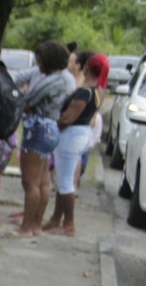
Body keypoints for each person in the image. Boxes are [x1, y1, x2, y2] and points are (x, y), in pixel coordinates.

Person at [7, 40, 72, 240]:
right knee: (44, 181)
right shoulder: (62, 79)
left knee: (30, 183)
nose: (38, 63)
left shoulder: (49, 81)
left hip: (37, 129)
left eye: (39, 60)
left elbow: (28, 102)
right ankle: (35, 226)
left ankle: (25, 227)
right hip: (51, 130)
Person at [44, 54, 105, 236]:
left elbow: (68, 118)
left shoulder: (84, 93)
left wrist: (53, 121)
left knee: (65, 182)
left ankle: (68, 223)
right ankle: (56, 218)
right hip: (81, 134)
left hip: (72, 135)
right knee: (64, 178)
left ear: (86, 68)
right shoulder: (97, 92)